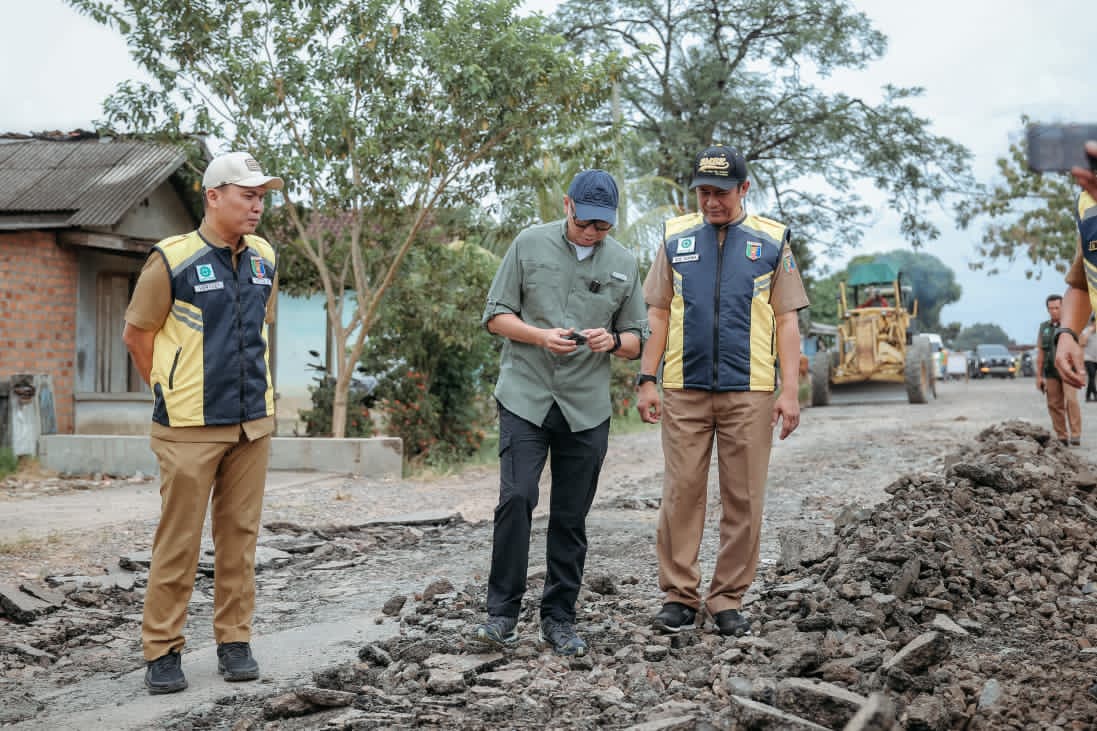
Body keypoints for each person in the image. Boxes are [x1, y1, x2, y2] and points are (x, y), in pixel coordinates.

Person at [123, 151, 283, 694]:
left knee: (240, 538)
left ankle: (234, 640)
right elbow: (137, 336)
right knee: (180, 541)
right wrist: (169, 391)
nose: (257, 206)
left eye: (261, 197)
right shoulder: (172, 260)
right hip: (189, 426)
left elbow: (259, 329)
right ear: (213, 196)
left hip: (251, 424)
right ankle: (162, 649)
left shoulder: (264, 257)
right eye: (247, 195)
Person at [471, 169, 646, 656]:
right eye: (584, 221)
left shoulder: (624, 263)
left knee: (570, 516)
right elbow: (495, 315)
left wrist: (613, 341)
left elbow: (637, 338)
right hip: (525, 394)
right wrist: (540, 336)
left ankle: (559, 619)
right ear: (567, 205)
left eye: (602, 226)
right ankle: (501, 615)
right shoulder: (528, 244)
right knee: (517, 498)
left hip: (586, 406)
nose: (591, 232)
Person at [636, 145, 808, 636]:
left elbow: (787, 320)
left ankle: (727, 598)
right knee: (681, 494)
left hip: (750, 391)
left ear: (744, 189)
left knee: (744, 498)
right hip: (683, 388)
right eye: (703, 192)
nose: (711, 201)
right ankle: (679, 596)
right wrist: (647, 379)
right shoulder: (675, 238)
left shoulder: (772, 241)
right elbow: (658, 313)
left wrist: (789, 391)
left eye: (721, 192)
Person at [1037, 294, 1082, 445]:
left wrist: (1080, 371)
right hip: (1051, 371)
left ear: (1063, 307)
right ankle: (1062, 436)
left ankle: (1075, 434)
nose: (1054, 311)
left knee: (1071, 401)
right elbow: (1041, 352)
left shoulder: (1071, 326)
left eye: (1056, 308)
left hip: (1069, 371)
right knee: (1054, 404)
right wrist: (1039, 376)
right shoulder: (1044, 328)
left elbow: (1079, 348)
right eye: (1051, 308)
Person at [1082, 317, 1097, 402]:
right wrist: (1090, 332)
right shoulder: (1087, 331)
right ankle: (1095, 395)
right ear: (1092, 322)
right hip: (1088, 358)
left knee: (1092, 378)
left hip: (1096, 358)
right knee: (1092, 375)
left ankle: (1087, 396)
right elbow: (1082, 343)